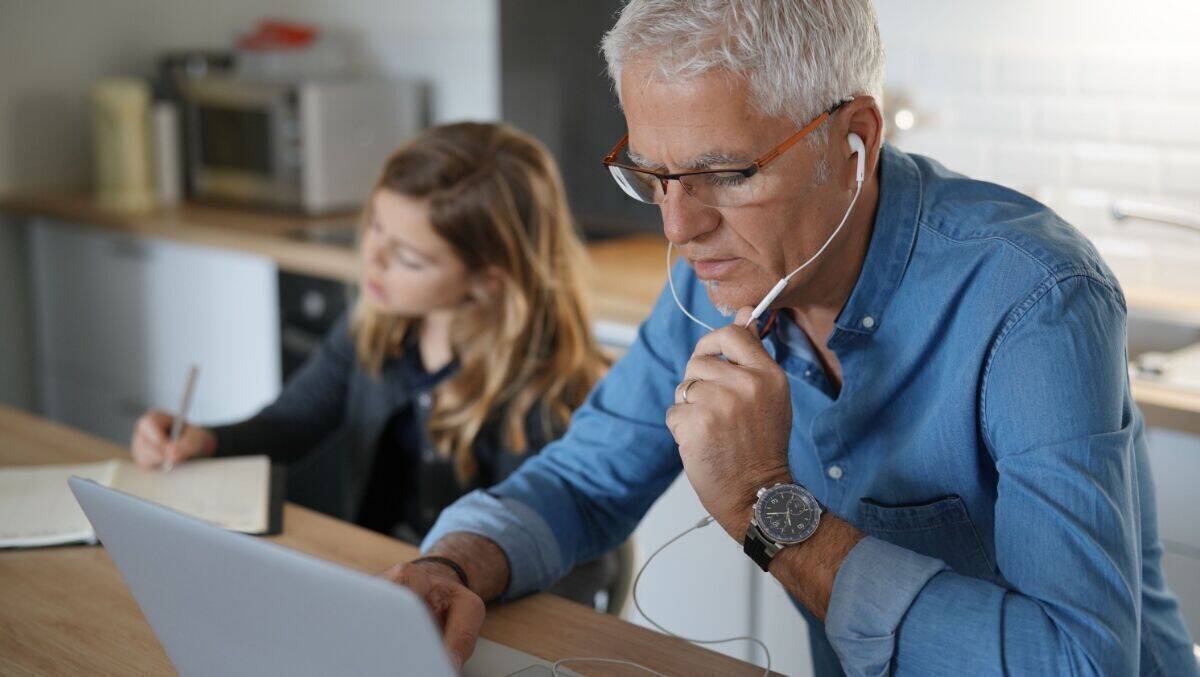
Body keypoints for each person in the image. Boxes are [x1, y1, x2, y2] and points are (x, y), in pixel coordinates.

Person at [383, 1, 1199, 675]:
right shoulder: (719, 274)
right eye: (653, 175)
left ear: (855, 142)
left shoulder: (1036, 300)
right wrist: (451, 565)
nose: (680, 226)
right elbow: (583, 482)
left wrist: (766, 507)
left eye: (728, 174)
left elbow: (1081, 663)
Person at [129, 121, 617, 609]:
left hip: (480, 609)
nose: (372, 260)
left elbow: (549, 551)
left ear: (487, 281)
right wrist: (207, 440)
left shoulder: (547, 392)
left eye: (406, 257)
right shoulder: (378, 328)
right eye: (375, 228)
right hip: (382, 588)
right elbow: (289, 423)